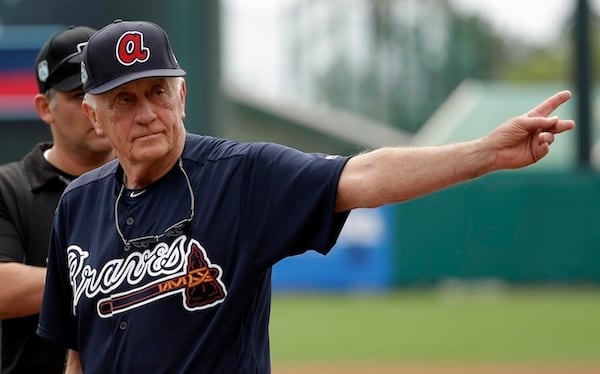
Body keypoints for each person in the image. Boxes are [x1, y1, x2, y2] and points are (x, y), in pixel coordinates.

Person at [37, 20, 575, 374]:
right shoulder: (78, 205)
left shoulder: (241, 176)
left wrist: (485, 152)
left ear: (183, 94)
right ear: (95, 115)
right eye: (125, 100)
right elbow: (79, 352)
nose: (147, 111)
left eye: (158, 91)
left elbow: (362, 177)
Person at [0, 26, 114, 374]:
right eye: (78, 94)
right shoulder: (11, 187)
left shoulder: (154, 182)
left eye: (103, 90)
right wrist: (112, 275)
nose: (93, 106)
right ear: (44, 108)